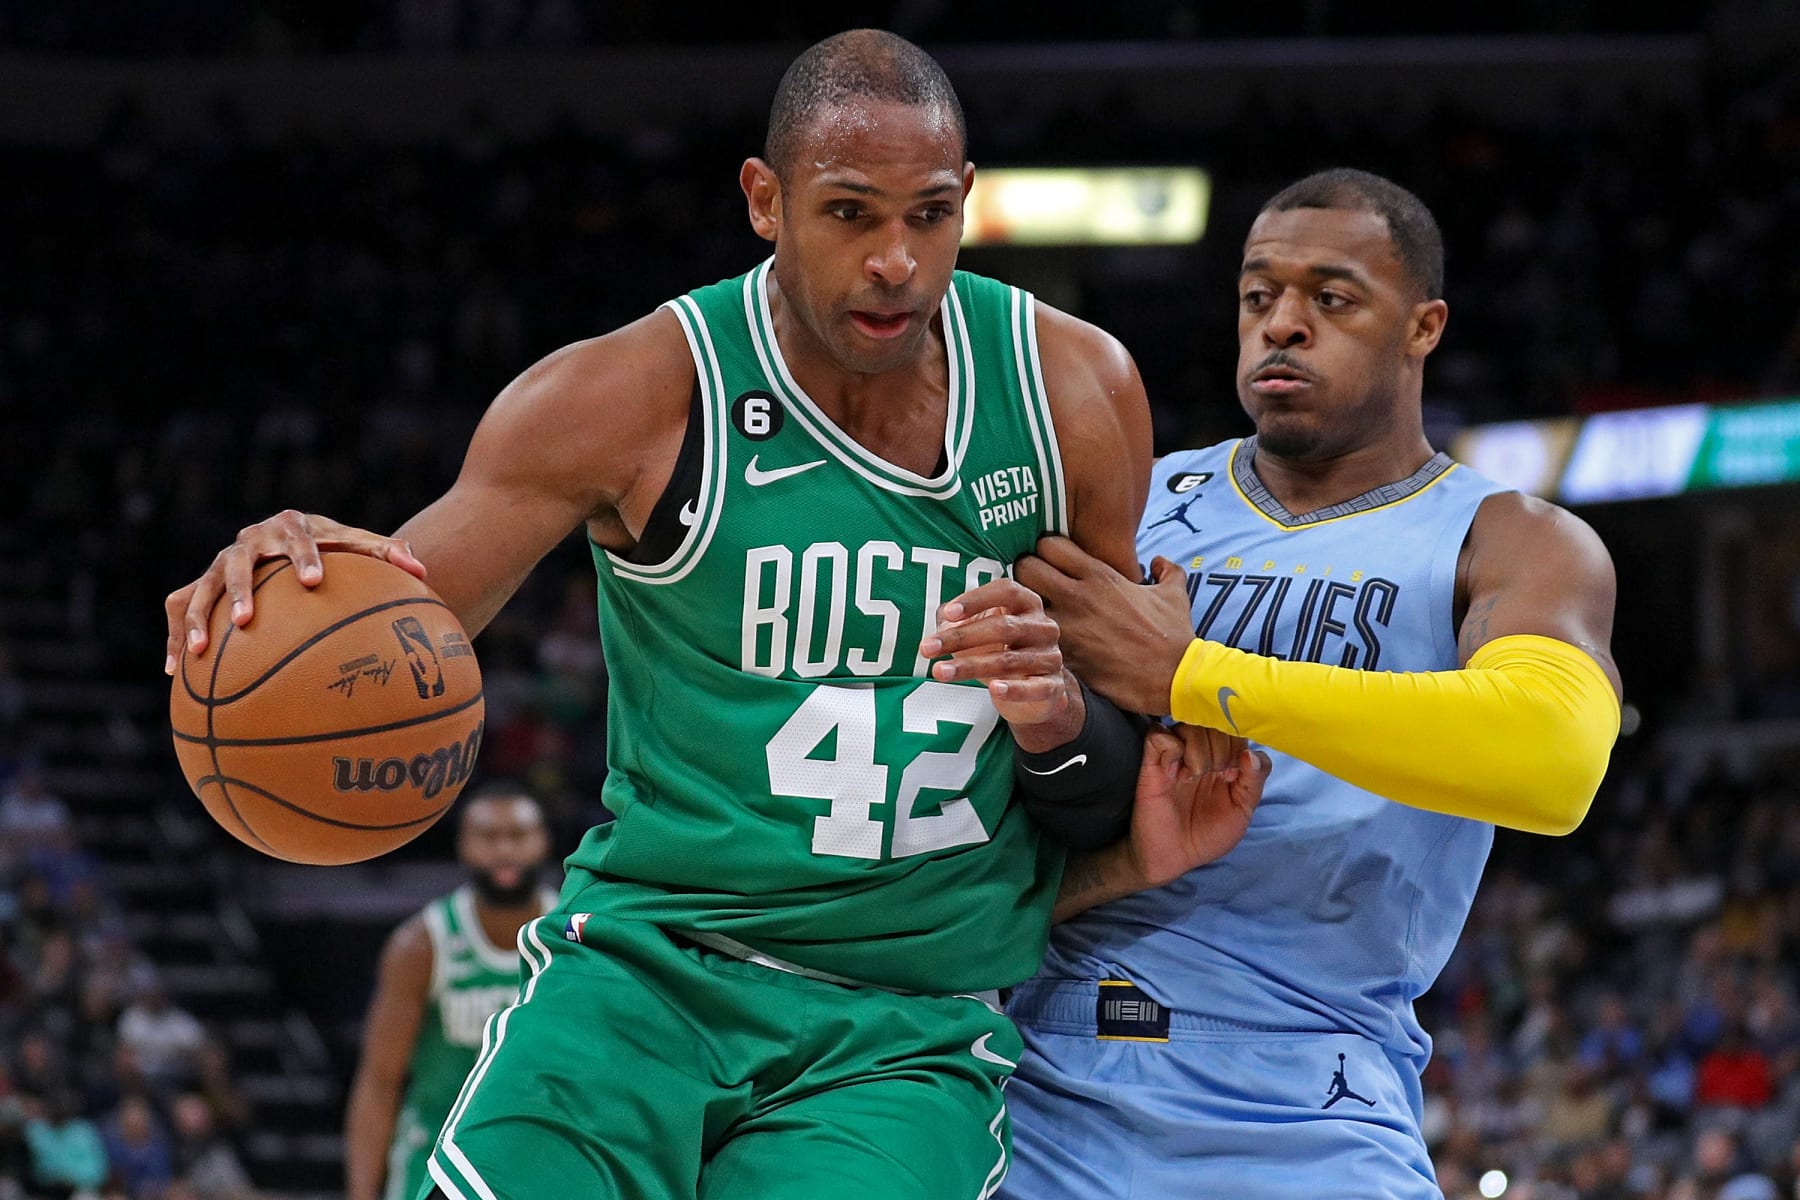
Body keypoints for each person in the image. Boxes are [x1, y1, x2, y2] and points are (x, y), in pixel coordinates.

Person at [164, 29, 1264, 1200]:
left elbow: (1106, 766)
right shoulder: (626, 396)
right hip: (648, 974)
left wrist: (1059, 718)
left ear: (966, 203)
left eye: (929, 215)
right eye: (851, 214)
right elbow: (395, 616)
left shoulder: (1074, 393)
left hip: (903, 1027)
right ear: (765, 200)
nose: (896, 259)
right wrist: (292, 579)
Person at [950, 169, 1622, 1198]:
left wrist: (1195, 675)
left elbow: (1556, 758)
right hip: (1047, 1073)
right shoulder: (1137, 500)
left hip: (1314, 1090)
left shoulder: (1510, 542)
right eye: (1259, 297)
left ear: (1423, 326)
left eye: (1332, 298)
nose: (1284, 327)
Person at [343, 786, 555, 1200]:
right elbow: (379, 1082)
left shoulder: (568, 936)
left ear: (543, 841)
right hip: (436, 1159)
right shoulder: (422, 944)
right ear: (463, 846)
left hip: (542, 1156)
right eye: (489, 838)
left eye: (518, 835)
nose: (504, 850)